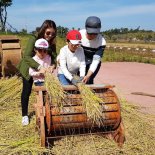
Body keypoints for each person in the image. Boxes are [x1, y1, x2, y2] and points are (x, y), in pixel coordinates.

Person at [17, 20, 57, 126]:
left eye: (53, 33)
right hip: (29, 68)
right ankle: (25, 115)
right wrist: (39, 67)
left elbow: (54, 56)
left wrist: (53, 65)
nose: (50, 35)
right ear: (43, 30)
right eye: (48, 33)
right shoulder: (34, 38)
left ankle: (45, 111)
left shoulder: (52, 42)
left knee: (44, 91)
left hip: (43, 70)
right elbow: (26, 56)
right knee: (27, 90)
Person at [79, 16, 106, 84]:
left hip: (92, 62)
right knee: (78, 80)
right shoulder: (79, 35)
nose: (93, 36)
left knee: (88, 81)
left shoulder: (101, 42)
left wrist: (88, 75)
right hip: (80, 61)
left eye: (95, 34)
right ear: (86, 28)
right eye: (90, 33)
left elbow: (96, 61)